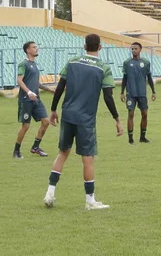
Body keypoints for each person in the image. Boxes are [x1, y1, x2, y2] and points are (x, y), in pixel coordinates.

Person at [43, 34, 123, 210]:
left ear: (84, 46)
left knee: (63, 153)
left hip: (68, 115)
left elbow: (60, 87)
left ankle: (50, 193)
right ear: (100, 47)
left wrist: (54, 109)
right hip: (85, 119)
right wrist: (117, 119)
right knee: (88, 159)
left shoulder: (72, 62)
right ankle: (90, 201)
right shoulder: (103, 68)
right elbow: (108, 97)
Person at [14, 42, 55, 159]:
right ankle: (16, 150)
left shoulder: (35, 65)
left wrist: (49, 90)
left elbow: (35, 83)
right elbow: (19, 80)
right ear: (28, 50)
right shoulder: (24, 64)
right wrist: (29, 92)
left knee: (46, 121)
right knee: (25, 126)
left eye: (36, 47)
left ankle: (35, 147)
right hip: (26, 100)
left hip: (36, 99)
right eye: (34, 47)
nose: (37, 49)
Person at [121, 42, 156, 144]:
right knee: (131, 114)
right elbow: (124, 78)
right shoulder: (127, 63)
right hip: (131, 93)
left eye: (135, 49)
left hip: (142, 93)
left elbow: (149, 77)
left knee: (144, 114)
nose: (133, 51)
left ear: (140, 50)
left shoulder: (145, 62)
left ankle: (142, 137)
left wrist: (153, 92)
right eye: (132, 49)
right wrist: (122, 92)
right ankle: (130, 139)